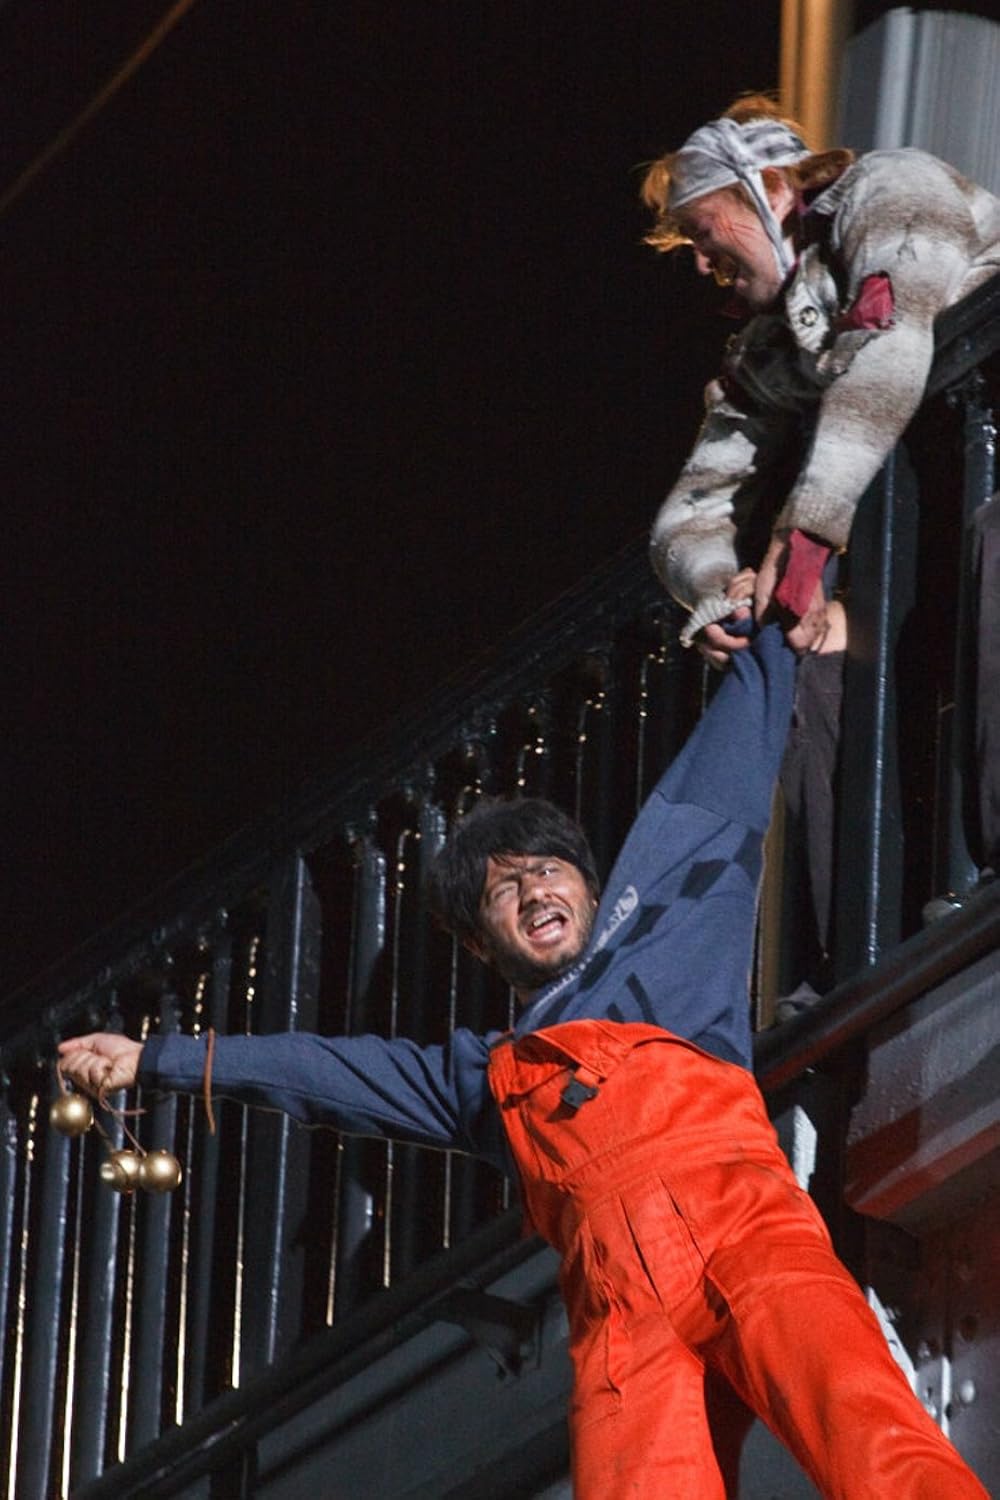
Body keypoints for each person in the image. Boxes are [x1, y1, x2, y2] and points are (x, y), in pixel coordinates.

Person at [59, 604, 989, 1500]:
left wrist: (766, 634)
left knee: (868, 1436)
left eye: (547, 868)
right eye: (502, 891)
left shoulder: (664, 923)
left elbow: (728, 767)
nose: (533, 889)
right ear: (480, 943)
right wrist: (155, 1060)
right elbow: (327, 1073)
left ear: (589, 884)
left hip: (747, 1233)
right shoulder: (481, 1078)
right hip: (619, 1320)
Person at [641, 94, 1000, 982]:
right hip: (931, 547)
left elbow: (890, 348)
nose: (700, 263)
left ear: (767, 190)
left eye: (703, 231)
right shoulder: (769, 346)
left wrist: (802, 546)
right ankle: (858, 951)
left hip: (988, 503)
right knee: (807, 649)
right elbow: (689, 511)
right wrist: (717, 590)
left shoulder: (894, 188)